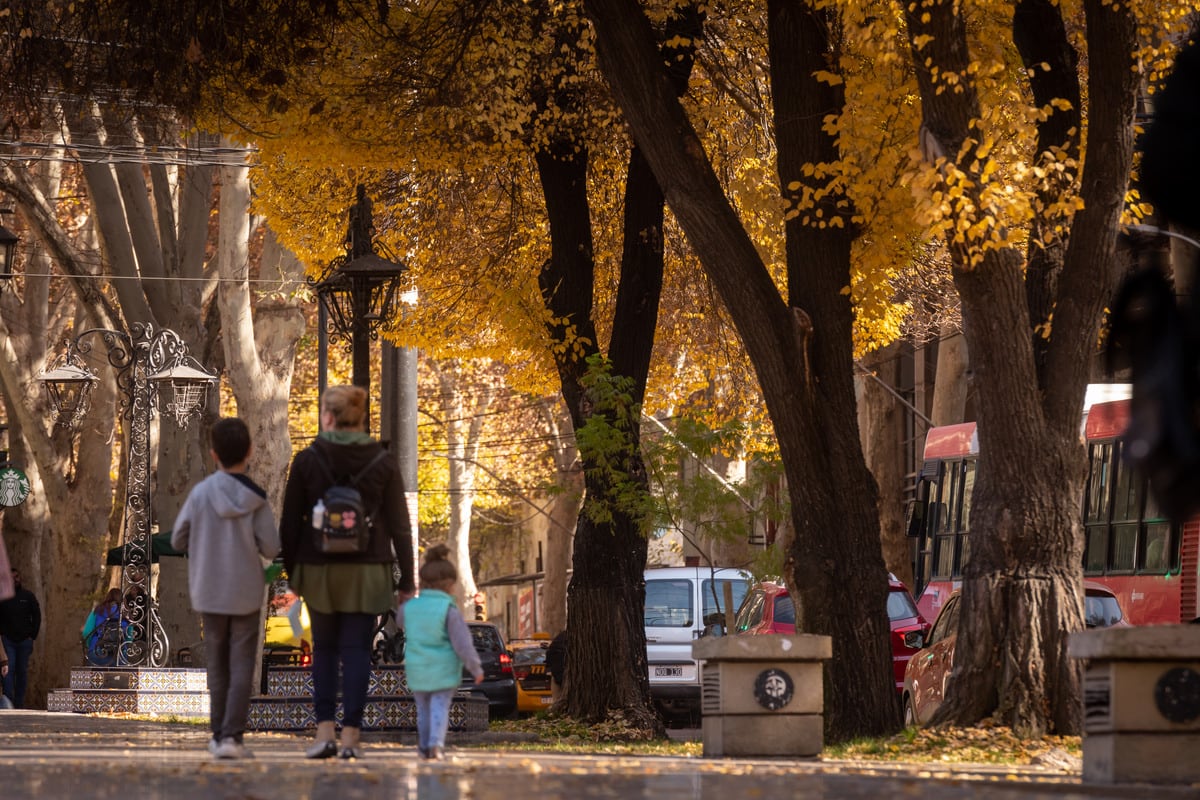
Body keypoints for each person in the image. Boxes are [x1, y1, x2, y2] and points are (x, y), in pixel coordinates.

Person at [281, 385, 416, 760]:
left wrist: (295, 573)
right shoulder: (383, 462)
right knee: (357, 649)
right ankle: (352, 738)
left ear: (328, 416)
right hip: (368, 569)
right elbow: (401, 525)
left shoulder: (307, 460)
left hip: (319, 569)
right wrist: (407, 579)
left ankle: (324, 732)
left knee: (323, 649)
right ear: (361, 418)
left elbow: (289, 524)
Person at [172, 417, 280, 760]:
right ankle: (233, 737)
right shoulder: (256, 499)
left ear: (213, 453)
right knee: (241, 664)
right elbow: (271, 548)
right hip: (246, 591)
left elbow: (177, 538)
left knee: (216, 665)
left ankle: (217, 736)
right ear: (249, 451)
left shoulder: (200, 493)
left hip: (209, 588)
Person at [397, 544, 482, 761]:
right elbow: (463, 644)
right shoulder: (449, 611)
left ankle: (424, 746)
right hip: (443, 670)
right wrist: (475, 667)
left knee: (423, 709)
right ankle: (435, 744)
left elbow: (400, 622)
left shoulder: (409, 608)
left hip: (417, 669)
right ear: (450, 585)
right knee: (439, 707)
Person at [0, 567, 40, 708]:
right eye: (11, 577)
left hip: (24, 641)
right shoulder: (3, 598)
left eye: (16, 577)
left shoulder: (28, 596)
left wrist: (32, 636)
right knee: (7, 671)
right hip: (7, 641)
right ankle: (8, 702)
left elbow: (36, 616)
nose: (14, 579)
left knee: (22, 672)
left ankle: (19, 703)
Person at [81, 588, 126, 666]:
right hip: (120, 656)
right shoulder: (126, 613)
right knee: (119, 678)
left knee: (93, 677)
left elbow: (86, 632)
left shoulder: (98, 610)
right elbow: (130, 637)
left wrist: (90, 645)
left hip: (97, 652)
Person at [545, 628, 568, 704]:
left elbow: (549, 654)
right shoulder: (573, 637)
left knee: (557, 699)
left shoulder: (560, 637)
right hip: (567, 674)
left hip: (556, 674)